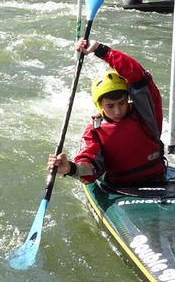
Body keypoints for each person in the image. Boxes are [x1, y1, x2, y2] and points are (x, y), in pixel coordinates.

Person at [48, 39, 166, 186]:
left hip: (157, 180)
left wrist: (101, 50)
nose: (117, 111)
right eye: (110, 106)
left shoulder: (144, 114)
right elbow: (89, 167)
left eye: (122, 103)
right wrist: (70, 168)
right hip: (120, 188)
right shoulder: (94, 131)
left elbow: (138, 76)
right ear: (99, 106)